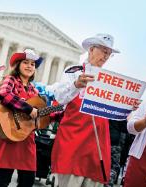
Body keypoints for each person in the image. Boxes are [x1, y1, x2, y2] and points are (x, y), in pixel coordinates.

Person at [47, 33, 120, 187]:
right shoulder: (74, 71)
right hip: (74, 139)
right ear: (91, 49)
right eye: (103, 51)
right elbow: (59, 97)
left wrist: (126, 106)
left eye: (109, 53)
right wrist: (75, 85)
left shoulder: (109, 79)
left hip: (98, 143)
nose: (106, 56)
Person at [0, 49, 43, 187]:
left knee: (28, 180)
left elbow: (37, 117)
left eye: (32, 64)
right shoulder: (11, 79)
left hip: (27, 139)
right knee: (4, 178)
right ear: (18, 65)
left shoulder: (34, 90)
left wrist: (58, 113)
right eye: (25, 62)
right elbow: (4, 94)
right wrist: (28, 108)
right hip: (10, 133)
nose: (29, 66)